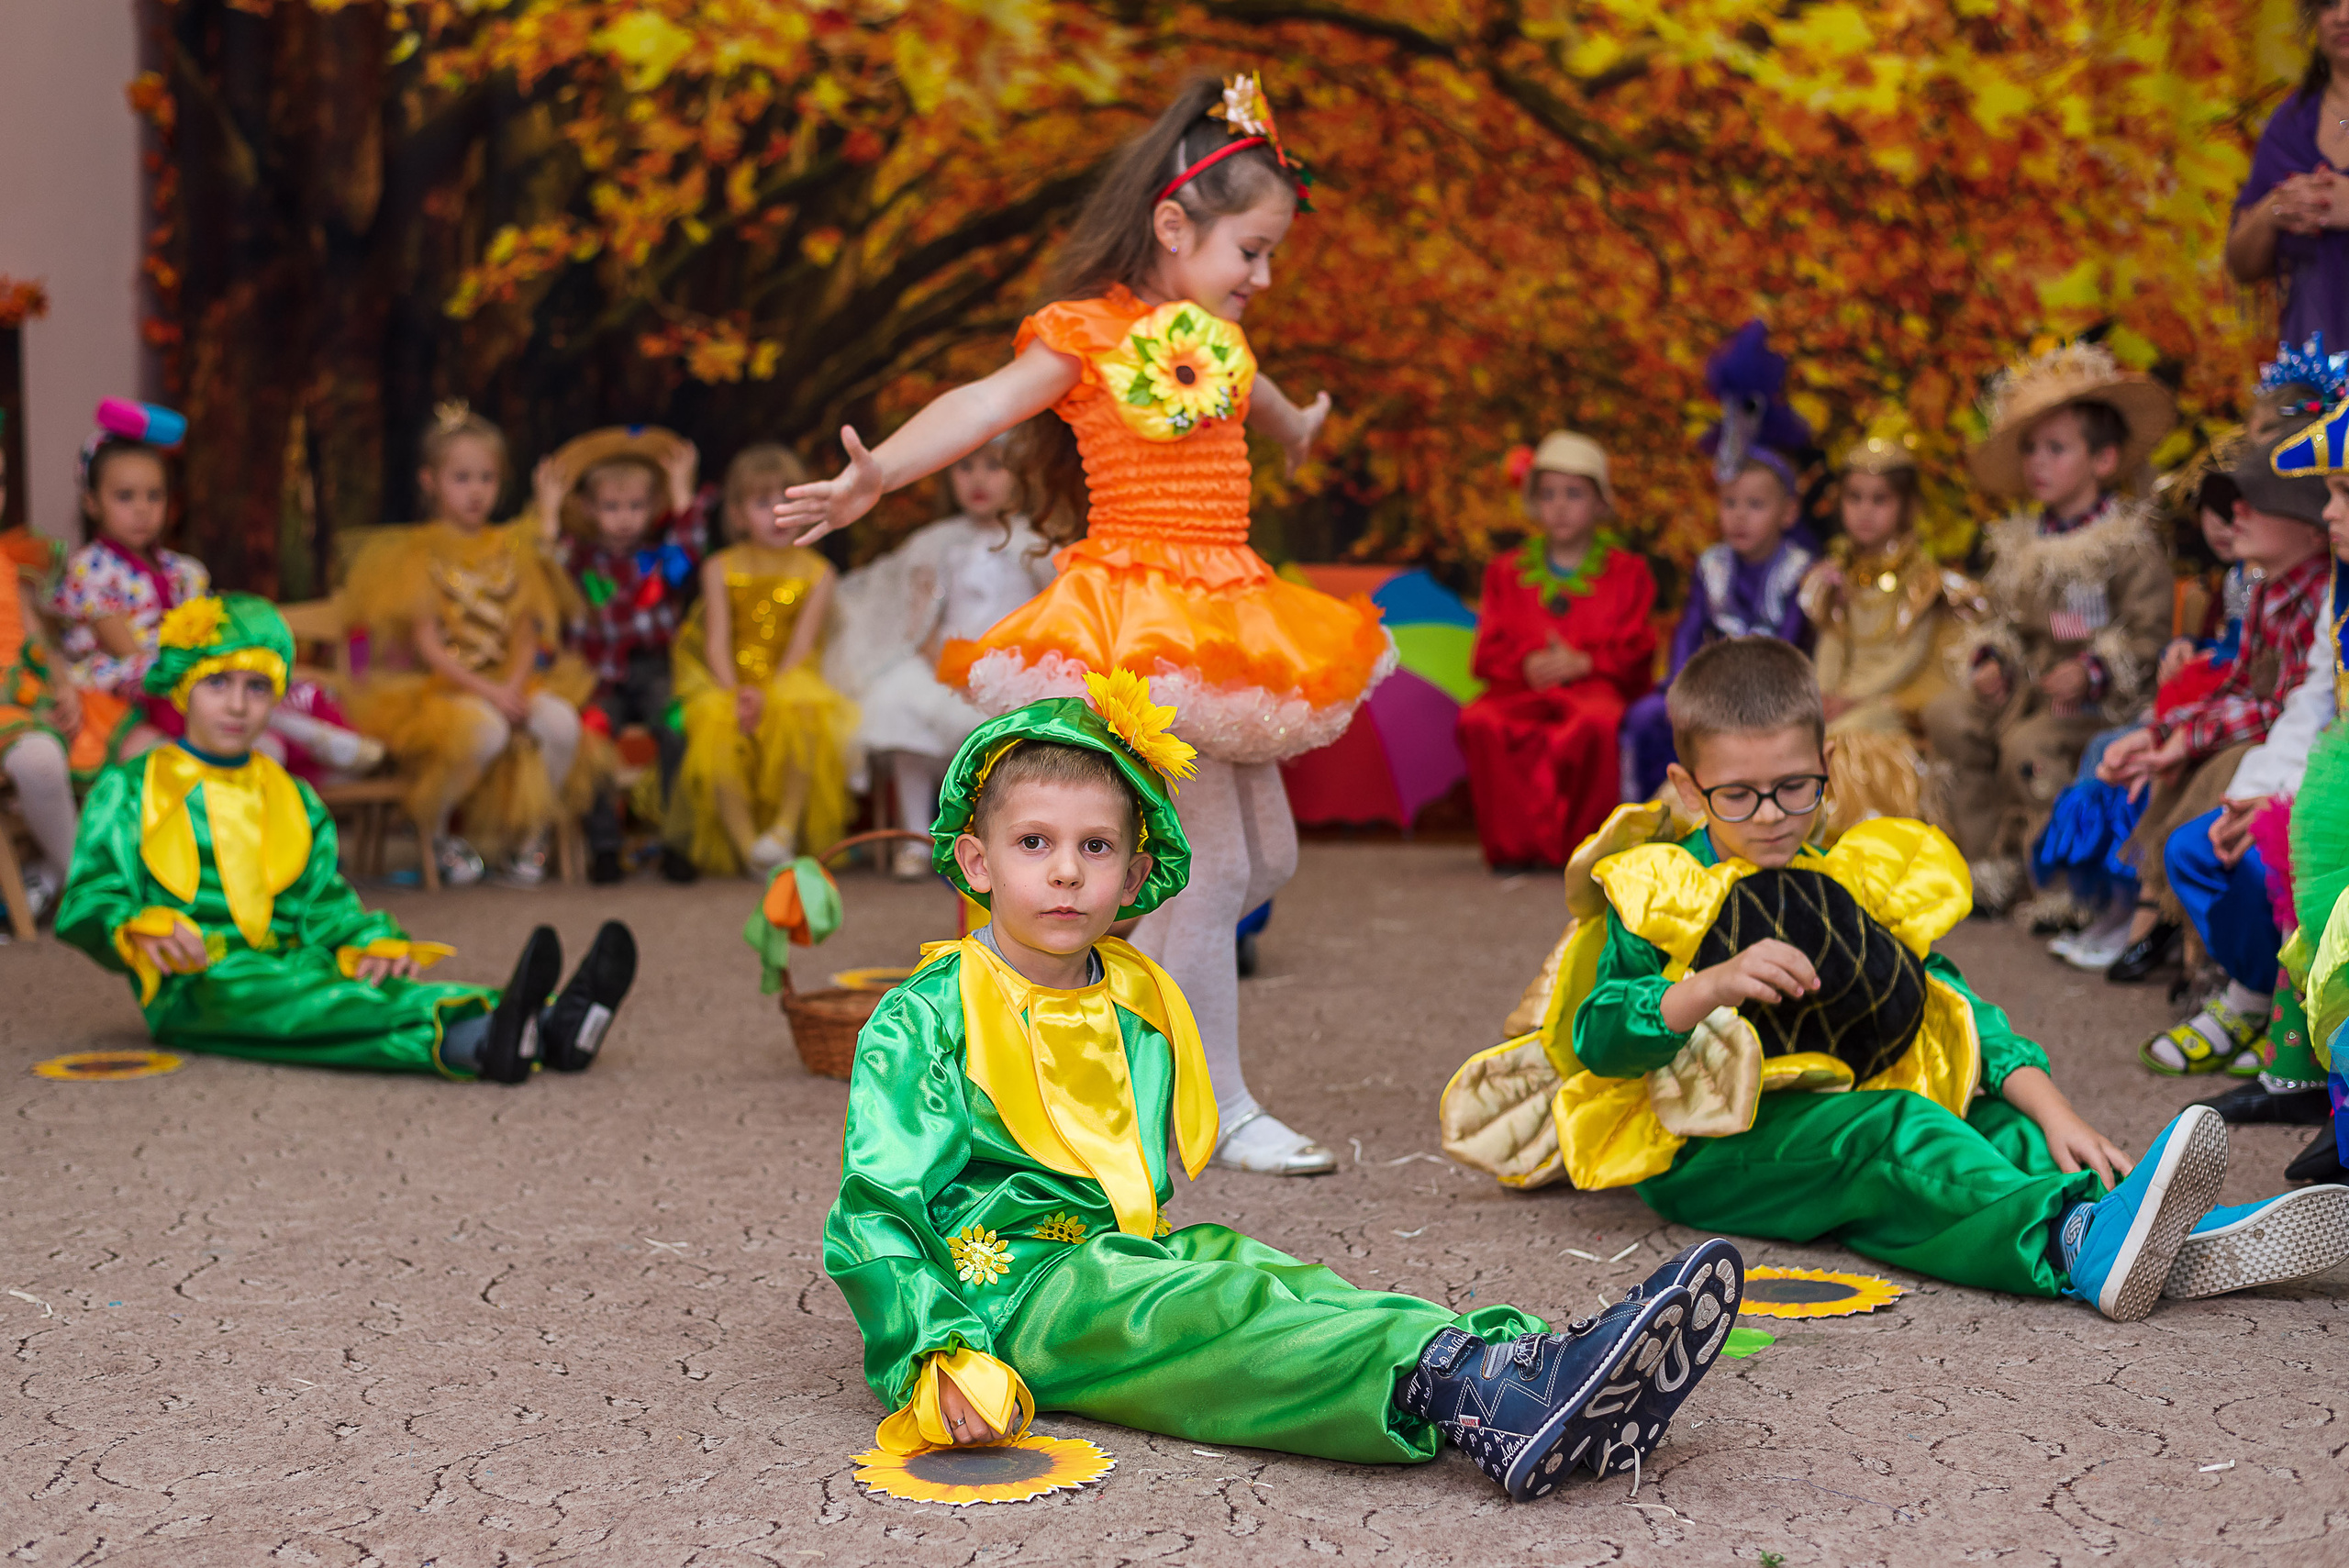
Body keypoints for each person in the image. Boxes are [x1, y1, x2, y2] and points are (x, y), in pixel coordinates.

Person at [823, 672, 1743, 1498]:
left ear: (1136, 874)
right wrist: (936, 1351)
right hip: (1001, 1294)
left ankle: (1506, 1359)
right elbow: (875, 1207)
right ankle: (1461, 1388)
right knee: (1219, 1317)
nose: (1066, 870)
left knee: (1267, 1273)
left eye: (1095, 846)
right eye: (1034, 841)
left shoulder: (1136, 995)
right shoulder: (929, 1013)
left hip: (1112, 1258)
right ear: (977, 862)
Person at [778, 75, 1392, 1175]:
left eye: (1269, 258)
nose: (1261, 276)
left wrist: (1299, 429)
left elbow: (1261, 403)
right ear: (1173, 225)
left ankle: (1105, 1021)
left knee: (1267, 861)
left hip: (1233, 611)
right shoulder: (1089, 333)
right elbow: (982, 402)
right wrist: (878, 475)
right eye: (1249, 251)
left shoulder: (1222, 340)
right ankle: (1215, 1106)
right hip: (1138, 617)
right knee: (1204, 871)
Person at [1438, 636, 2349, 1317]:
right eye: (1738, 795)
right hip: (1710, 1149)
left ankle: (2140, 1227)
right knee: (1896, 1132)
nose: (1770, 815)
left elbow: (1946, 1000)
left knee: (1984, 1119)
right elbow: (1594, 1033)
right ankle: (2076, 1241)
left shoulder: (1842, 873)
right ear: (1685, 788)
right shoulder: (1654, 885)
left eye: (1795, 787)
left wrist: (2051, 1106)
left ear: (1826, 767)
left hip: (1845, 1105)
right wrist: (1705, 985)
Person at [54, 595, 638, 1080]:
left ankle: (535, 1030)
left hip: (295, 962)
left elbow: (322, 902)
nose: (237, 704)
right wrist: (132, 927)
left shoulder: (292, 797)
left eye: (258, 688)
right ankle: (482, 1031)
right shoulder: (130, 789)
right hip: (196, 980)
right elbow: (87, 896)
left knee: (343, 994)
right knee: (299, 1001)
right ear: (183, 689)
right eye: (218, 684)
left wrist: (363, 941)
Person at [2097, 449, 2330, 1076]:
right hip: (2289, 761)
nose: (2238, 513)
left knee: (2241, 833)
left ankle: (2270, 1000)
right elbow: (2277, 701)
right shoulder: (2271, 589)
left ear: (2311, 530)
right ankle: (2250, 988)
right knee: (2194, 845)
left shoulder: (2318, 592)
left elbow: (2282, 710)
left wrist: (2260, 789)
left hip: (2320, 783)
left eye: (2262, 503)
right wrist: (2168, 734)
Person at [1921, 341, 2176, 915]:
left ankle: (2060, 878)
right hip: (2025, 691)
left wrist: (2093, 670)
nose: (2037, 461)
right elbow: (2000, 619)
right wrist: (1991, 659)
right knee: (1949, 715)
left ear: (2104, 461)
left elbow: (2148, 633)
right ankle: (1989, 862)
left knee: (2029, 748)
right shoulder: (2022, 544)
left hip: (2096, 706)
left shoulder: (2126, 544)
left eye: (2056, 449)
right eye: (2030, 448)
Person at [342, 403, 596, 889]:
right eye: (461, 478)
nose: (476, 491)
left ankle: (528, 839)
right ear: (429, 481)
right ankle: (436, 834)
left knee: (561, 724)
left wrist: (514, 687)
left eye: (487, 478)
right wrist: (489, 693)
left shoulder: (512, 547)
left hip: (510, 681)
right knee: (484, 732)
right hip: (445, 686)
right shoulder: (416, 553)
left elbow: (527, 631)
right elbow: (430, 647)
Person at [828, 434, 1056, 877]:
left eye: (994, 466)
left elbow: (1053, 617)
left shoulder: (1037, 542)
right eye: (965, 467)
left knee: (1020, 726)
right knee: (898, 702)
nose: (978, 480)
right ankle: (917, 838)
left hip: (1017, 665)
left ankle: (1003, 839)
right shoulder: (935, 543)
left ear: (1020, 475)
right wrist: (945, 666)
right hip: (947, 661)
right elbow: (921, 624)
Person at [1620, 324, 1818, 802]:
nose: (1739, 517)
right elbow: (1690, 631)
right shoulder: (1713, 566)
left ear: (1787, 512)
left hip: (1773, 691)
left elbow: (1791, 642)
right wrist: (1679, 688)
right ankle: (1652, 826)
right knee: (1649, 716)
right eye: (1729, 504)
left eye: (1755, 505)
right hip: (1712, 686)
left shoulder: (1800, 570)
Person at [1456, 431, 1655, 871]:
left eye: (1574, 494)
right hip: (1521, 690)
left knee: (1596, 724)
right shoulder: (1505, 572)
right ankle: (1513, 849)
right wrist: (1525, 662)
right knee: (1481, 720)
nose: (1560, 506)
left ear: (1600, 503)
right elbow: (1486, 649)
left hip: (1592, 688)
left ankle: (1585, 849)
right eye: (1548, 494)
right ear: (1532, 503)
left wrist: (1586, 661)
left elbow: (1639, 647)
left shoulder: (1628, 572)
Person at [672, 443, 857, 877]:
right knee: (714, 726)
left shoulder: (818, 573)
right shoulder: (719, 567)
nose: (776, 512)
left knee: (803, 710)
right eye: (761, 502)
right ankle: (751, 850)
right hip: (728, 679)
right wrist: (736, 692)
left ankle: (782, 831)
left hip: (788, 678)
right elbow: (716, 641)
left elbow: (800, 650)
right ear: (737, 514)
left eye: (787, 500)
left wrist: (769, 695)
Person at [536, 426, 705, 884]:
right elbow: (544, 564)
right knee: (591, 737)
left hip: (653, 668)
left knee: (677, 729)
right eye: (611, 507)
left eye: (635, 507)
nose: (624, 518)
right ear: (590, 510)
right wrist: (549, 510)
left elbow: (689, 551)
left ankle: (678, 843)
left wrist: (680, 491)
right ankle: (604, 847)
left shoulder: (659, 557)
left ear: (651, 509)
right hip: (598, 674)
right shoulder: (580, 559)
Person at [1799, 411, 1980, 832]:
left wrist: (1855, 696)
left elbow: (1909, 653)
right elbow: (1832, 641)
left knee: (1844, 741)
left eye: (1879, 500)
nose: (1865, 512)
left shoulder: (1919, 578)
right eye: (1854, 498)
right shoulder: (1835, 574)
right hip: (1843, 697)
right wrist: (1825, 693)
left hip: (1891, 700)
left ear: (1906, 507)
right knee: (1804, 732)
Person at [2226, 2, 2349, 348]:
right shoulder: (2290, 123)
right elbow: (2241, 266)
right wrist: (2272, 212)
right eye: (2328, 3)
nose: (2343, 16)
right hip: (2311, 375)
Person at [1, 449, 82, 925]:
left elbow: (37, 639)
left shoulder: (8, 561)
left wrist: (63, 681)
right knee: (40, 760)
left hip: (23, 698)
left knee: (61, 754)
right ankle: (79, 881)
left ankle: (60, 874)